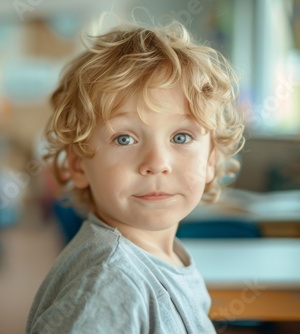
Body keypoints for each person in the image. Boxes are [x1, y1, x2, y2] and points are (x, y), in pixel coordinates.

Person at [26, 21, 244, 334]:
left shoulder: (163, 255)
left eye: (181, 137)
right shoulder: (109, 285)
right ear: (77, 164)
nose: (157, 163)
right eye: (124, 139)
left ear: (211, 159)